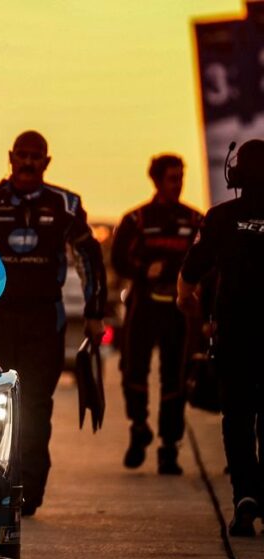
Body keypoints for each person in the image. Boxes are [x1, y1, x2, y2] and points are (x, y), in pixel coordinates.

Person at [0, 130, 106, 517]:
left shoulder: (65, 203)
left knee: (34, 405)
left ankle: (28, 488)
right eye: (22, 155)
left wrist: (95, 312)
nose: (28, 163)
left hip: (45, 317)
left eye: (36, 157)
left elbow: (89, 256)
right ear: (10, 157)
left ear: (46, 162)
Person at [179, 139, 264, 536]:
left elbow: (190, 271)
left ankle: (245, 496)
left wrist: (186, 300)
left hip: (235, 334)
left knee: (238, 417)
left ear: (234, 175)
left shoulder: (219, 217)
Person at [112, 154, 202, 474]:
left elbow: (209, 263)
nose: (177, 184)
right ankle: (139, 428)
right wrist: (144, 269)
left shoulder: (194, 221)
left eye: (180, 177)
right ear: (157, 180)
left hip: (179, 311)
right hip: (143, 307)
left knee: (175, 377)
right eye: (171, 178)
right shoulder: (136, 219)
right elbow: (118, 259)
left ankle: (169, 448)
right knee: (133, 371)